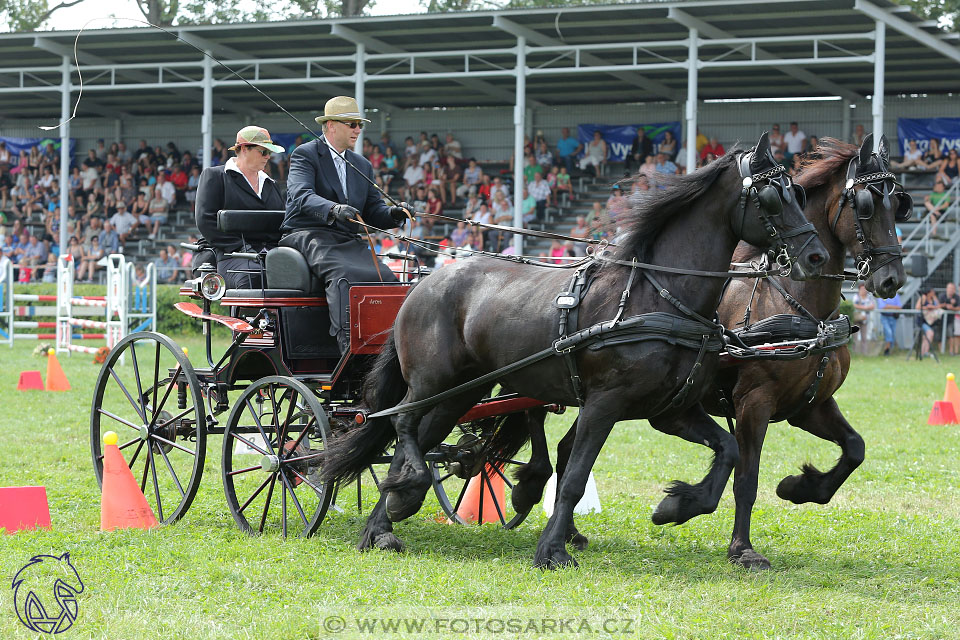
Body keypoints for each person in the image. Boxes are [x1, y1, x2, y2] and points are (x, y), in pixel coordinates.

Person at [281, 96, 411, 354]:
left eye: (359, 124)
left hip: (346, 241)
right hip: (307, 233)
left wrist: (396, 214)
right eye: (351, 124)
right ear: (331, 125)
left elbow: (373, 211)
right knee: (345, 276)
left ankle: (388, 350)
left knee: (387, 278)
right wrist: (333, 209)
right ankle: (348, 349)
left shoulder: (361, 164)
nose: (358, 130)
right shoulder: (305, 155)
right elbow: (301, 194)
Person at [195, 125, 286, 289]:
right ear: (244, 149)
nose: (268, 157)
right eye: (263, 151)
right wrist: (242, 248)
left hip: (269, 255)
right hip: (230, 255)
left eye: (270, 153)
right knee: (254, 275)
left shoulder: (271, 185)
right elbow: (205, 221)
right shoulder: (215, 176)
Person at [916, 287, 941, 358]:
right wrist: (927, 307)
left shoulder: (933, 298)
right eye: (932, 292)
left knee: (925, 336)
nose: (934, 293)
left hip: (929, 321)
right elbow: (917, 307)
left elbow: (938, 306)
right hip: (922, 320)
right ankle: (924, 352)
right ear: (929, 292)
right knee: (930, 333)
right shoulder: (923, 297)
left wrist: (934, 300)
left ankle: (923, 353)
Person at [852, 284, 876, 354]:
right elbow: (854, 305)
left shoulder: (869, 297)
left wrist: (861, 307)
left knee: (864, 337)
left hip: (865, 320)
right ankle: (854, 352)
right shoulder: (856, 296)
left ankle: (864, 353)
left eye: (864, 289)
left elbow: (872, 306)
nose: (863, 291)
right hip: (856, 319)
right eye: (862, 289)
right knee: (855, 337)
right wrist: (866, 308)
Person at [943, 282, 960, 356]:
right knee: (956, 335)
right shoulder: (957, 297)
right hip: (957, 318)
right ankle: (955, 352)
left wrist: (952, 307)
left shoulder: (956, 297)